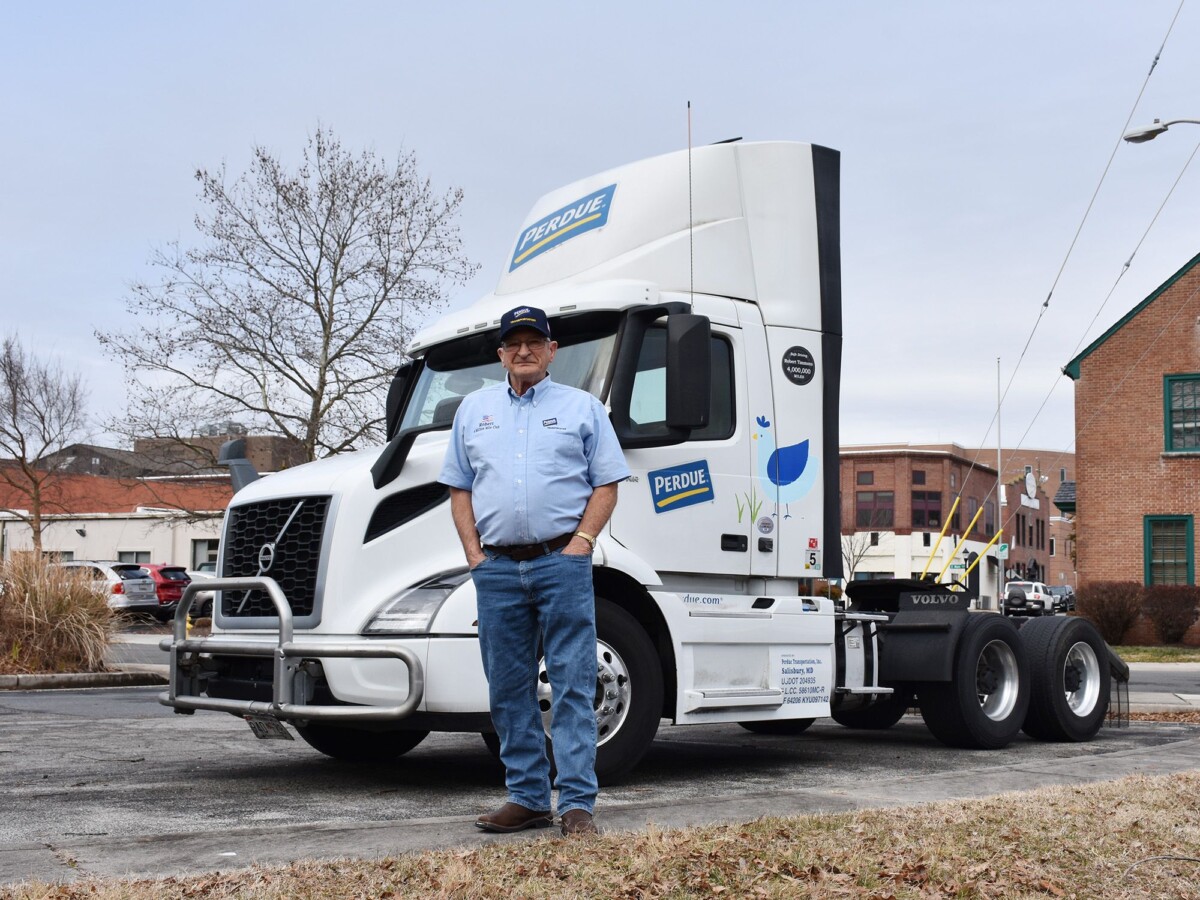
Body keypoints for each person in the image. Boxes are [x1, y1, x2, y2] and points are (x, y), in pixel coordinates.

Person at [438, 305, 629, 837]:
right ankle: (526, 797)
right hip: (496, 568)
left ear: (552, 350)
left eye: (533, 342)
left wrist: (582, 543)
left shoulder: (582, 408)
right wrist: (475, 555)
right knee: (506, 686)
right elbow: (459, 488)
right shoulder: (473, 411)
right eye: (512, 343)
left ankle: (576, 805)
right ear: (500, 353)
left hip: (560, 563)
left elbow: (607, 482)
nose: (523, 351)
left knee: (572, 683)